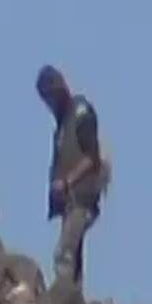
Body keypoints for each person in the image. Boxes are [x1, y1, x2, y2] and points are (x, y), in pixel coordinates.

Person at [36, 65, 109, 287]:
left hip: (82, 197)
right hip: (69, 201)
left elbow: (91, 157)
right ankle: (74, 299)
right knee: (74, 259)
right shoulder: (62, 124)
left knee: (64, 252)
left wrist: (68, 182)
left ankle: (62, 298)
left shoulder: (80, 114)